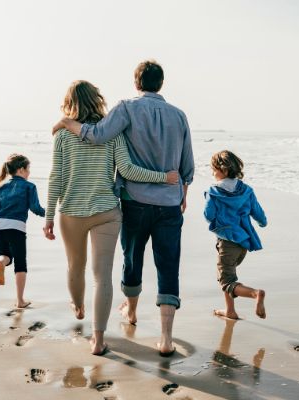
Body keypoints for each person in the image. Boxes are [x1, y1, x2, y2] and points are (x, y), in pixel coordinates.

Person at [53, 60, 194, 357]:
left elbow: (97, 135)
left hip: (135, 202)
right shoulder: (179, 116)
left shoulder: (127, 109)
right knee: (168, 266)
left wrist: (67, 123)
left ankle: (130, 311)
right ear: (162, 83)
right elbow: (186, 165)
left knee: (132, 259)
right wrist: (183, 190)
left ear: (136, 82)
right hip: (169, 202)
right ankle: (167, 339)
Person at [204, 150, 268, 320]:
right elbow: (258, 213)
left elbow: (208, 215)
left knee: (226, 280)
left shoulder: (214, 191)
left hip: (227, 241)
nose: (213, 173)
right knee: (227, 276)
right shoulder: (246, 190)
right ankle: (230, 310)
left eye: (214, 169)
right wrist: (262, 222)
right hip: (244, 241)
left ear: (223, 170)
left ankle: (255, 294)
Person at [0, 154, 45, 309]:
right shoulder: (29, 186)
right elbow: (35, 208)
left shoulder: (1, 187)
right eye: (28, 169)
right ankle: (20, 300)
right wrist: (47, 213)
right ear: (21, 170)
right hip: (16, 228)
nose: (29, 173)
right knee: (20, 263)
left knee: (5, 256)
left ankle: (1, 262)